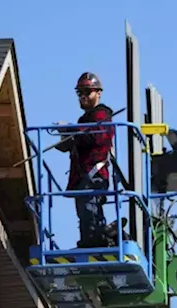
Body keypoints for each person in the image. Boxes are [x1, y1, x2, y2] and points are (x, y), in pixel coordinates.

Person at [61, 72, 115, 248]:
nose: (83, 96)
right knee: (85, 214)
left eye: (87, 92)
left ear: (98, 93)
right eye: (80, 93)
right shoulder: (84, 120)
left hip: (94, 174)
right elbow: (80, 140)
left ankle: (96, 240)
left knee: (90, 213)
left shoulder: (102, 115)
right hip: (84, 175)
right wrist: (67, 138)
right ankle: (89, 241)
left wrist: (73, 132)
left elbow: (96, 139)